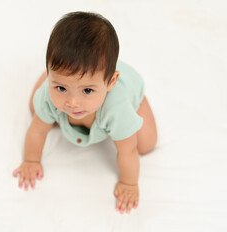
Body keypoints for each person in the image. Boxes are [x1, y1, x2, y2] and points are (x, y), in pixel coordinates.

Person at [12, 11, 157, 214]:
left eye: (87, 90)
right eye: (61, 88)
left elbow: (127, 151)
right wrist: (31, 160)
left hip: (130, 93)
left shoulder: (117, 109)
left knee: (146, 145)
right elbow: (37, 131)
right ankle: (61, 78)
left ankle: (132, 95)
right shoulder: (49, 97)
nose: (72, 103)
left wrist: (129, 184)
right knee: (34, 107)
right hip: (73, 81)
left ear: (111, 82)